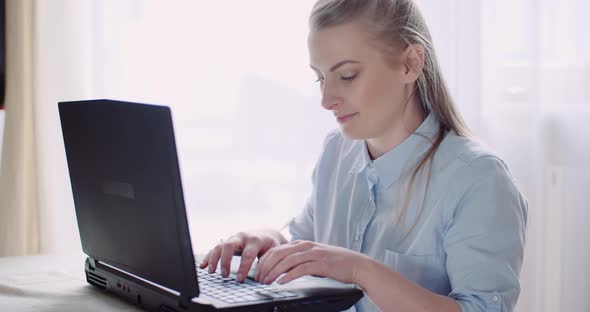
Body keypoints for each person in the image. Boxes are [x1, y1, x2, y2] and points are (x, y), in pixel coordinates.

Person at [199, 0, 528, 311]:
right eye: (320, 77)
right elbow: (307, 240)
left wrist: (361, 271)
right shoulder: (336, 152)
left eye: (347, 76)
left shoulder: (479, 180)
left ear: (410, 64)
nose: (326, 100)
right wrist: (271, 240)